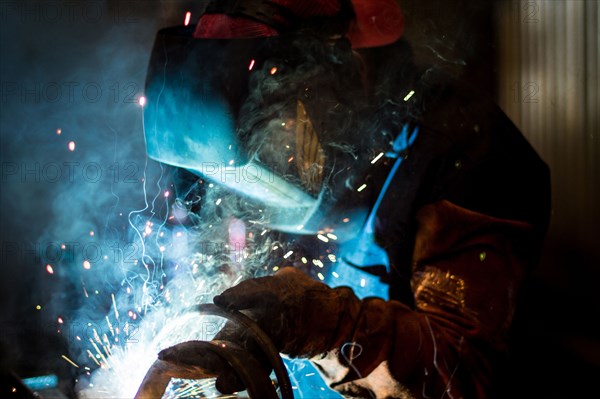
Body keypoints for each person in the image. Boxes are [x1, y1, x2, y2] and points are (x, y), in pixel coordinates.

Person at [143, 0, 551, 398]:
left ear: (340, 62)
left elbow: (460, 376)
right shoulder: (301, 144)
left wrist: (321, 324)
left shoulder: (468, 152)